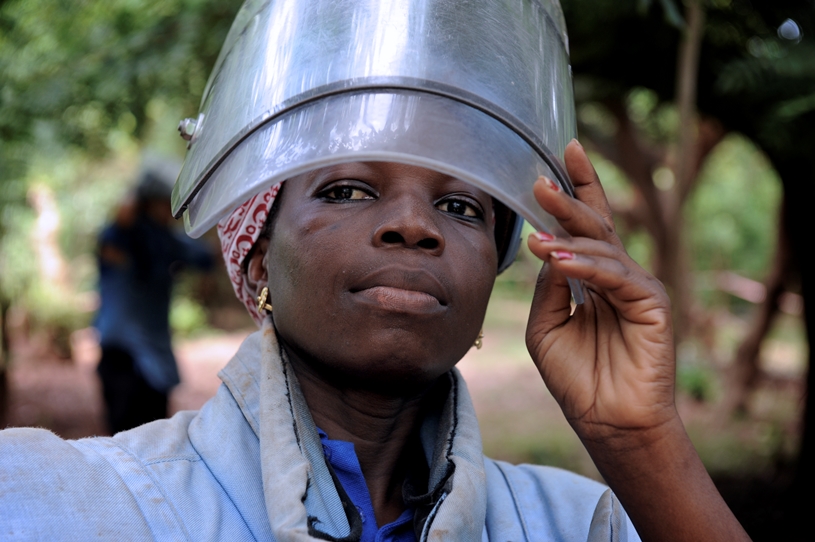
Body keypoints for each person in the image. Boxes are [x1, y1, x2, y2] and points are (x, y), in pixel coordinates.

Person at [0, 1, 750, 541]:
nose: (415, 224)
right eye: (347, 190)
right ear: (257, 251)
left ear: (493, 275)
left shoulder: (577, 523)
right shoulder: (67, 499)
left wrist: (639, 440)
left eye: (461, 207)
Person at [94, 164, 213, 434]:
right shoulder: (120, 236)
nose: (169, 212)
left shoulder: (166, 241)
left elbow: (205, 257)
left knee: (153, 440)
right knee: (123, 441)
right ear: (147, 203)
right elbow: (116, 235)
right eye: (163, 203)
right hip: (122, 356)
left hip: (154, 362)